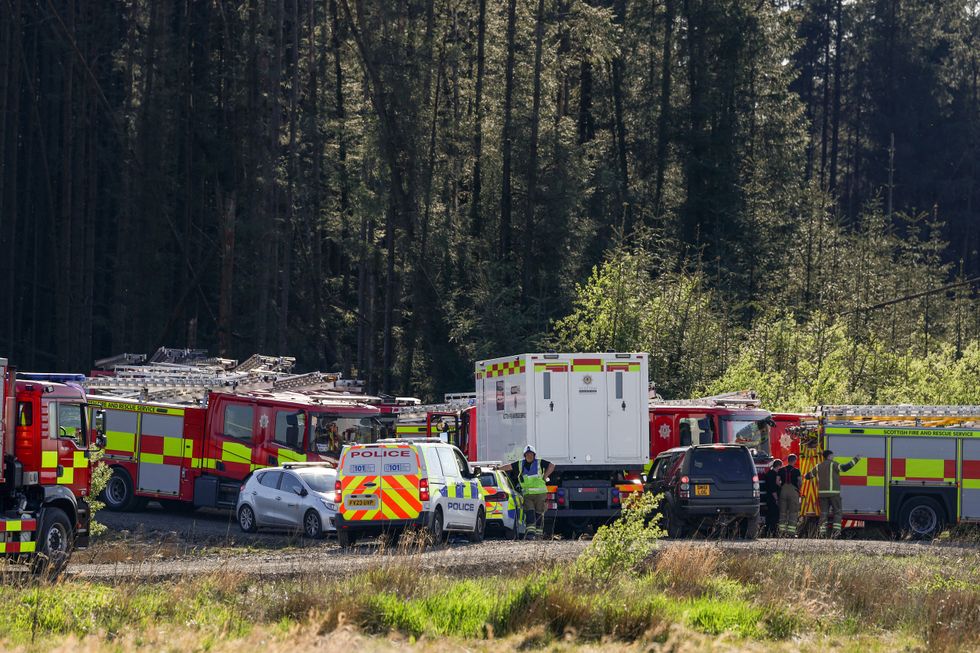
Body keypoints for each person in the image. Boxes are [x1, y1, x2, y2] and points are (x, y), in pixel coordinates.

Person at [497, 445, 555, 540]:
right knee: (529, 513)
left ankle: (539, 535)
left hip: (540, 494)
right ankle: (530, 534)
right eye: (527, 454)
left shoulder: (540, 462)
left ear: (534, 455)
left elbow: (552, 465)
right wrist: (498, 469)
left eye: (531, 454)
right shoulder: (520, 464)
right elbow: (509, 466)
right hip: (528, 495)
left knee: (539, 514)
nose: (529, 456)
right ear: (524, 455)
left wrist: (545, 476)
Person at [804, 449, 861, 538]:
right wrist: (855, 460)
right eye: (833, 455)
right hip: (834, 494)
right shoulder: (833, 464)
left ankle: (821, 533)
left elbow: (808, 476)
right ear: (829, 456)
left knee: (823, 513)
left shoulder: (818, 466)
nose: (833, 457)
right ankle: (836, 533)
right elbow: (845, 468)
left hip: (822, 494)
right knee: (837, 512)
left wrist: (804, 475)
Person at [776, 454, 801, 537]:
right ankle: (791, 533)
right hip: (793, 491)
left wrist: (782, 487)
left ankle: (781, 532)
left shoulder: (781, 470)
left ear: (788, 460)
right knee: (793, 512)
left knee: (782, 512)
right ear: (794, 461)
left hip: (783, 491)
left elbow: (777, 481)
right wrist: (798, 489)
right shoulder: (797, 471)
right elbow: (800, 482)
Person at [763, 459, 783, 537]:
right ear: (778, 466)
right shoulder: (773, 475)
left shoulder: (769, 474)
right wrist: (776, 499)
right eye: (780, 467)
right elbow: (773, 489)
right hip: (773, 499)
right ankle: (773, 533)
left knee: (769, 516)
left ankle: (767, 532)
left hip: (769, 498)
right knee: (774, 516)